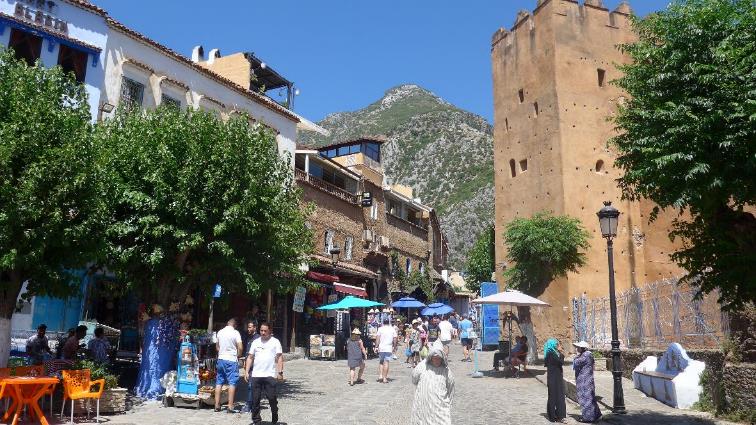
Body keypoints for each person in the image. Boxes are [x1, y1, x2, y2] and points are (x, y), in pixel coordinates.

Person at [244, 322, 283, 425]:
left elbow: (279, 357)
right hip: (256, 375)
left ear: (270, 331)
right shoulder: (255, 342)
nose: (263, 333)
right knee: (255, 399)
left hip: (269, 375)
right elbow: (250, 357)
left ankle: (275, 414)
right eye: (261, 330)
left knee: (271, 398)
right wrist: (247, 371)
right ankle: (256, 420)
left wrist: (280, 372)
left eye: (265, 331)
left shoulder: (275, 342)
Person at [411, 341, 454, 425]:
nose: (437, 360)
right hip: (424, 404)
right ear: (431, 357)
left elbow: (451, 387)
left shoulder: (446, 370)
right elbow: (414, 378)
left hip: (440, 405)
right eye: (435, 358)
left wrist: (448, 402)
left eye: (439, 358)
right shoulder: (422, 366)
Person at [215, 318, 243, 413]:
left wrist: (222, 352)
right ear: (235, 325)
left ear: (227, 323)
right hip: (231, 359)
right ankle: (230, 406)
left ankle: (217, 405)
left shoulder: (220, 332)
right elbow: (240, 347)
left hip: (221, 359)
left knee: (219, 382)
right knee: (232, 382)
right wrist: (238, 355)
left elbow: (217, 347)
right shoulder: (235, 333)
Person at [572, 341, 602, 423]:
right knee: (591, 398)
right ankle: (596, 415)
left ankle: (588, 418)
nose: (577, 348)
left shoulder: (585, 356)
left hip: (584, 381)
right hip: (588, 380)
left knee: (585, 399)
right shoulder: (588, 355)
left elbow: (576, 362)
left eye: (578, 347)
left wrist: (575, 356)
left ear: (582, 348)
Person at [544, 338, 567, 423]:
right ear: (553, 345)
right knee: (554, 397)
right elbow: (560, 362)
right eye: (557, 344)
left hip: (556, 378)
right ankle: (554, 416)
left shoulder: (551, 353)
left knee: (559, 396)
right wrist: (561, 353)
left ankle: (558, 415)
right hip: (554, 379)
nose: (559, 346)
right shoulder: (551, 354)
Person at [241, 321, 260, 413]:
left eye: (250, 327)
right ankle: (252, 404)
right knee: (251, 385)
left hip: (255, 365)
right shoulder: (249, 338)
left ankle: (249, 405)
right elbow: (247, 352)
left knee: (251, 386)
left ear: (255, 328)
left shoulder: (257, 339)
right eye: (248, 327)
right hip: (249, 365)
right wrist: (245, 362)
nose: (248, 329)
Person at [375, 318, 397, 384]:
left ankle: (380, 375)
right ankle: (385, 378)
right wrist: (395, 346)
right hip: (388, 347)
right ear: (389, 322)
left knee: (381, 361)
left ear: (383, 322)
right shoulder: (392, 329)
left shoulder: (380, 329)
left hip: (381, 347)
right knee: (386, 362)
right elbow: (395, 338)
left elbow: (377, 338)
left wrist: (376, 346)